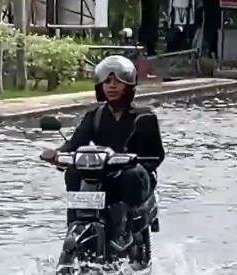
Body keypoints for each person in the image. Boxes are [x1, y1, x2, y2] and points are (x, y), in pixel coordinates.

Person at [42, 55, 165, 248]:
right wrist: (57, 154)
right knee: (74, 172)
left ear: (129, 84)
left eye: (118, 81)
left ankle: (124, 227)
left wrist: (138, 161)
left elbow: (156, 155)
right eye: (107, 81)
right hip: (102, 171)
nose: (112, 86)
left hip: (134, 172)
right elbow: (75, 143)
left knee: (130, 176)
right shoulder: (96, 115)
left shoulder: (144, 116)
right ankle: (75, 224)